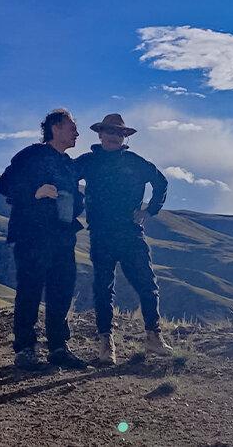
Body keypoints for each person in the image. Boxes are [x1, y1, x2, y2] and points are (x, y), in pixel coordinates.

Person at [75, 113, 172, 365]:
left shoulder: (135, 162)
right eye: (109, 132)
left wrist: (149, 210)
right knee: (103, 288)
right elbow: (65, 179)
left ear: (124, 137)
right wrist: (73, 204)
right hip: (101, 234)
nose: (113, 137)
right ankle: (106, 344)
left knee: (148, 286)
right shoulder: (88, 161)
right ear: (100, 134)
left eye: (119, 133)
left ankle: (153, 336)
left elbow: (160, 182)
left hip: (130, 233)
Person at [0, 108, 87, 370]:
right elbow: (5, 184)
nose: (76, 133)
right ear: (56, 128)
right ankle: (25, 349)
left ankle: (59, 347)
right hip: (31, 235)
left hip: (62, 237)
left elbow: (74, 197)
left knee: (61, 291)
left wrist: (76, 203)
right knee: (30, 290)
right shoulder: (31, 155)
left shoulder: (69, 165)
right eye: (72, 127)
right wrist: (34, 191)